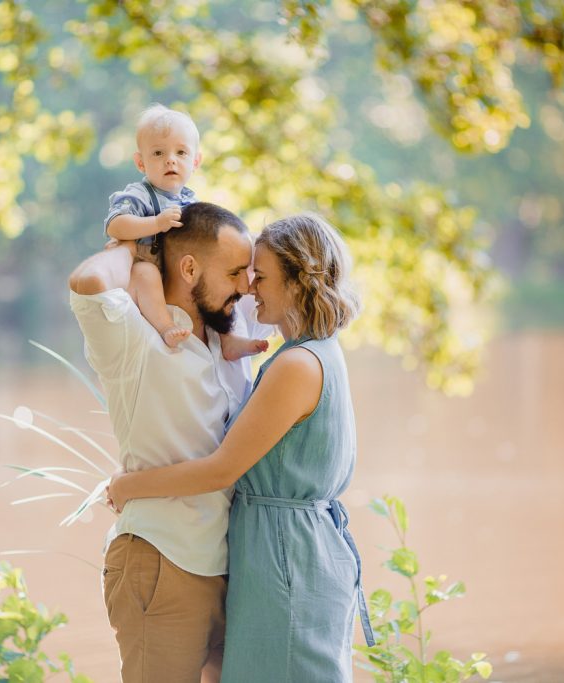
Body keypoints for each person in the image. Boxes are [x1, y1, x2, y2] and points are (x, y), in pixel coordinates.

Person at [108, 213, 375, 683]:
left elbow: (221, 469)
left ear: (296, 281)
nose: (251, 288)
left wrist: (129, 485)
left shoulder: (297, 364)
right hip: (288, 550)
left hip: (286, 560)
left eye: (262, 276)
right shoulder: (316, 350)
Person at [69, 202, 272, 683]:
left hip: (232, 570)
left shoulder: (231, 333)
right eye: (236, 272)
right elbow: (87, 282)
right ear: (187, 268)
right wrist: (138, 244)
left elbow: (300, 292)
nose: (246, 286)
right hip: (163, 562)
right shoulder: (136, 339)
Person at [105, 104, 266, 360]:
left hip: (181, 270)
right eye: (158, 153)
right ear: (140, 162)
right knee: (145, 274)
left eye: (181, 152)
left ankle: (228, 339)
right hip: (148, 262)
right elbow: (116, 224)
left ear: (196, 161)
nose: (170, 159)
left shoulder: (191, 200)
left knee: (217, 283)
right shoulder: (138, 195)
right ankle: (165, 326)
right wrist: (155, 223)